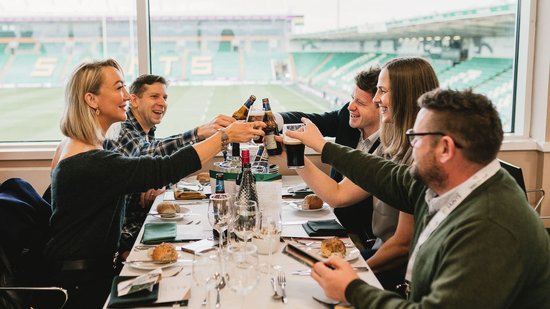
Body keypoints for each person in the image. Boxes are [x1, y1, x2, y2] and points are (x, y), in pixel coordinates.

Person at [288, 89, 550, 308]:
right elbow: (386, 175)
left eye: (416, 137)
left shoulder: (491, 226)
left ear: (445, 148)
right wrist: (324, 147)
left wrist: (352, 289)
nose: (410, 144)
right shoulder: (447, 183)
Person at [45, 59, 265, 309]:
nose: (127, 95)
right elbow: (162, 169)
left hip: (87, 272)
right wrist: (223, 137)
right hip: (85, 288)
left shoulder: (72, 146)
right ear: (91, 99)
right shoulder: (90, 160)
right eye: (119, 88)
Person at [282, 58, 440, 292]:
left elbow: (402, 244)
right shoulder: (394, 144)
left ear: (405, 97)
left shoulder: (421, 155)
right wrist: (294, 156)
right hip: (381, 249)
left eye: (382, 91)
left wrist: (355, 274)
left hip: (400, 269)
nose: (376, 99)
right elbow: (339, 194)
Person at [103, 74, 236, 260]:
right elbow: (149, 155)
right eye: (154, 96)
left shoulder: (145, 133)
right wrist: (198, 134)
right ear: (133, 100)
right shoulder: (123, 129)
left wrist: (156, 183)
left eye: (164, 98)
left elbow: (146, 165)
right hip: (125, 237)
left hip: (138, 225)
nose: (162, 103)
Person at [275, 68, 382, 245]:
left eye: (360, 103)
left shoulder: (385, 149)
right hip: (332, 218)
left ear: (382, 107)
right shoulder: (347, 119)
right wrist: (271, 119)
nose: (351, 106)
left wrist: (298, 155)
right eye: (352, 98)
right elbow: (308, 119)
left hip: (360, 235)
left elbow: (339, 196)